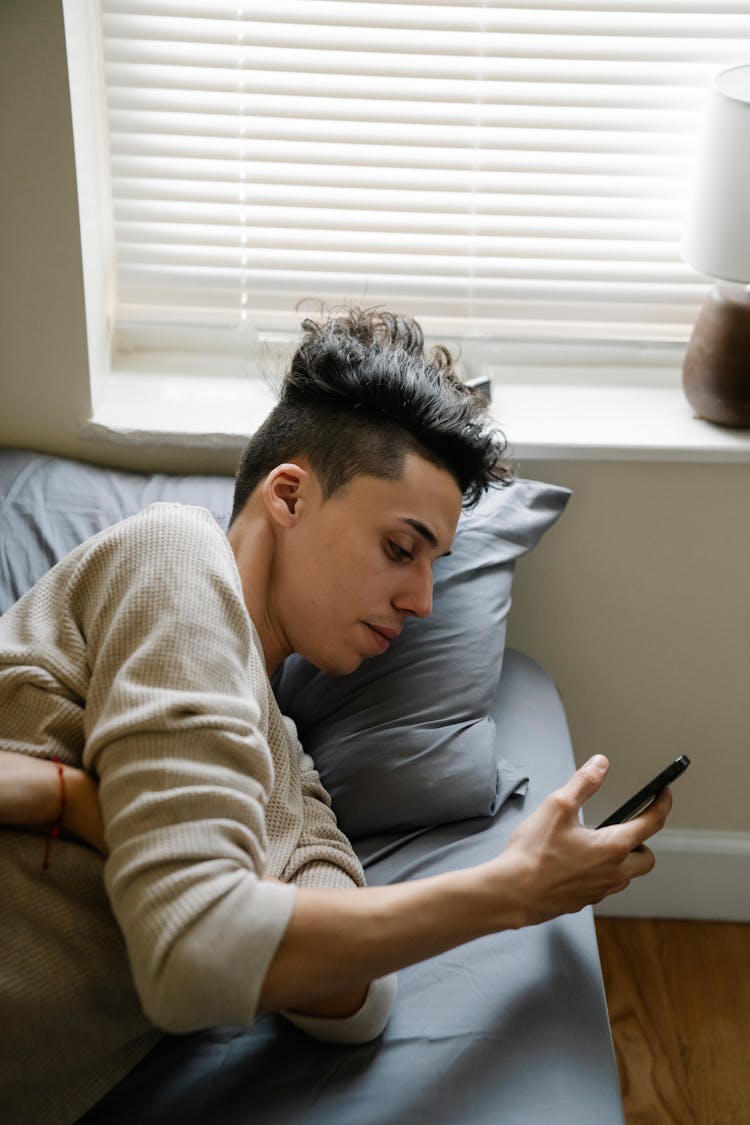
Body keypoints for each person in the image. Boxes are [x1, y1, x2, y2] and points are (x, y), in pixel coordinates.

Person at [0, 307, 672, 1124]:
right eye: (401, 547)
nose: (422, 600)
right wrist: (509, 891)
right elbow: (193, 957)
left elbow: (357, 1003)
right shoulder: (176, 555)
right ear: (289, 495)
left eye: (434, 564)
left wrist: (75, 799)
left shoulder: (289, 771)